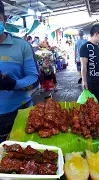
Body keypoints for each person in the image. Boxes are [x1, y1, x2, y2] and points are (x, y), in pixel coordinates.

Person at [0, 0, 39, 142]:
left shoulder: (22, 46)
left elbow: (34, 80)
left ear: (4, 19)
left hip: (19, 114)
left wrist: (13, 84)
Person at [80, 24, 99, 105]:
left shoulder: (97, 47)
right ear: (96, 34)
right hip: (92, 83)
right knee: (92, 107)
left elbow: (97, 60)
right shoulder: (85, 47)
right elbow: (83, 65)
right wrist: (84, 80)